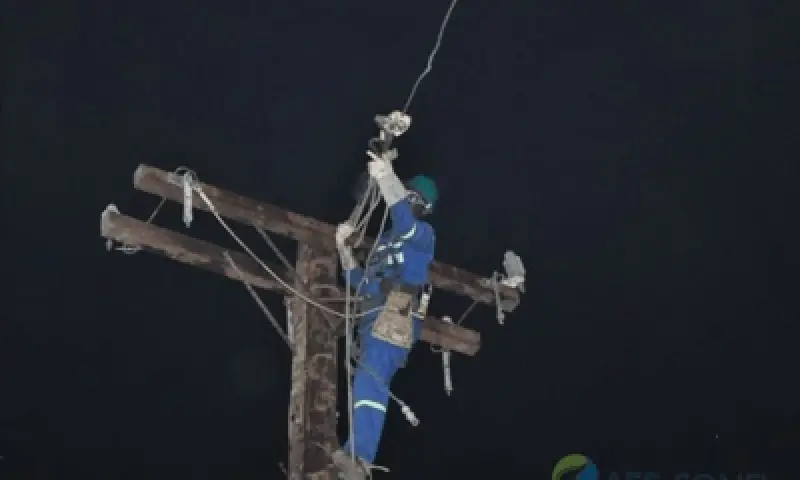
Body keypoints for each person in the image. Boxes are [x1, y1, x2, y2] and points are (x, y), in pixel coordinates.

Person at [332, 153, 439, 479]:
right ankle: (355, 454)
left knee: (371, 379)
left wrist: (387, 177)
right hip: (372, 317)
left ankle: (359, 459)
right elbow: (360, 282)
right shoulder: (384, 243)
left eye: (410, 196)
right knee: (366, 378)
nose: (405, 199)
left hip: (397, 312)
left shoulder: (422, 236)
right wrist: (343, 250)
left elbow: (405, 221)